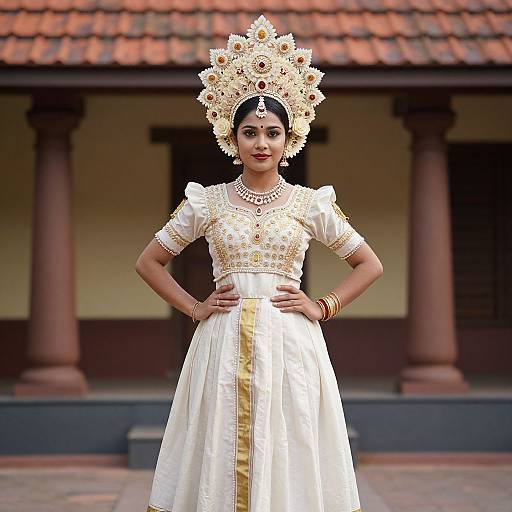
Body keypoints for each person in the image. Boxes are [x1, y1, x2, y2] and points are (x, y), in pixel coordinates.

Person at [135, 15, 383, 512]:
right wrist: (194, 307)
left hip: (291, 341)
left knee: (289, 440)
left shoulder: (310, 204)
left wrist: (324, 305)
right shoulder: (207, 203)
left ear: (289, 138)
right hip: (221, 340)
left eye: (272, 132)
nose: (261, 143)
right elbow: (150, 262)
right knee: (220, 442)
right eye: (250, 132)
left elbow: (368, 263)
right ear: (233, 137)